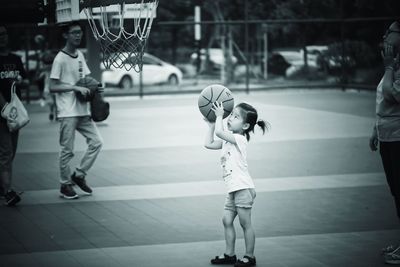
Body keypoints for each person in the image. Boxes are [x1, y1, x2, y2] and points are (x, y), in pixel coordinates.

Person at [204, 101, 268, 267]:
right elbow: (208, 144)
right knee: (226, 220)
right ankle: (230, 254)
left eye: (236, 116)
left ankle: (249, 256)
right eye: (230, 115)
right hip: (233, 189)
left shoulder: (239, 139)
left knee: (245, 223)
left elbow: (220, 131)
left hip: (243, 188)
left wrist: (219, 117)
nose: (230, 118)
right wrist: (211, 124)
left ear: (245, 125)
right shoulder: (227, 141)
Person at [49, 21, 103, 199]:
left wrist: (96, 88)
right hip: (67, 112)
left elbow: (85, 79)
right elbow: (52, 86)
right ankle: (65, 185)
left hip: (83, 110)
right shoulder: (60, 59)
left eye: (79, 32)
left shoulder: (79, 55)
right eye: (74, 33)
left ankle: (79, 174)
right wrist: (74, 88)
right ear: (66, 35)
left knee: (96, 142)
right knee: (67, 150)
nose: (78, 35)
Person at [369, 20, 400, 265]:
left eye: (391, 32)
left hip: (399, 137)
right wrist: (375, 129)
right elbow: (384, 102)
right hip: (387, 134)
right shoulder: (394, 64)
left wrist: (389, 68)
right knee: (396, 192)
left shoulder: (393, 66)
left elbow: (392, 94)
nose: (385, 35)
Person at [0, 25, 29, 206]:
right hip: (3, 114)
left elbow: (25, 82)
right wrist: (5, 110)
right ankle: (8, 192)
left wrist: (21, 81)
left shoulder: (16, 59)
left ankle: (3, 186)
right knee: (6, 152)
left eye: (4, 34)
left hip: (15, 114)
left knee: (11, 152)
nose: (2, 37)